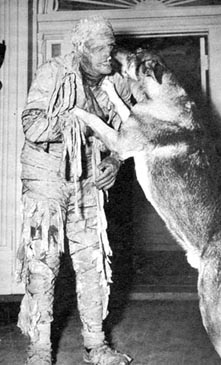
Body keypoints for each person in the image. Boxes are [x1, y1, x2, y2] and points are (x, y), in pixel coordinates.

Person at [16, 16, 132, 365]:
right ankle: (39, 351)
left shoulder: (117, 85)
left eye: (110, 48)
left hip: (88, 178)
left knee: (92, 261)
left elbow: (126, 135)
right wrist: (74, 121)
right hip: (46, 175)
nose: (107, 56)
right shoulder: (53, 73)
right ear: (80, 50)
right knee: (43, 262)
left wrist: (114, 161)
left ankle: (96, 345)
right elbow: (31, 125)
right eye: (98, 49)